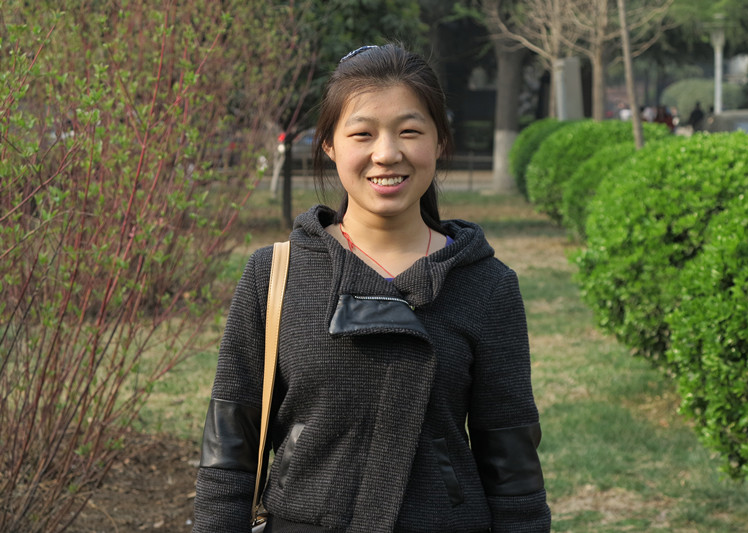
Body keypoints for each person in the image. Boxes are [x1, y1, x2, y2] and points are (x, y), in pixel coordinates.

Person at [192, 43, 551, 533]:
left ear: (439, 141)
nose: (386, 154)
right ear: (329, 144)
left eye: (409, 131)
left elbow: (513, 468)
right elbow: (228, 454)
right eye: (362, 133)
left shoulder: (487, 284)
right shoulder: (274, 274)